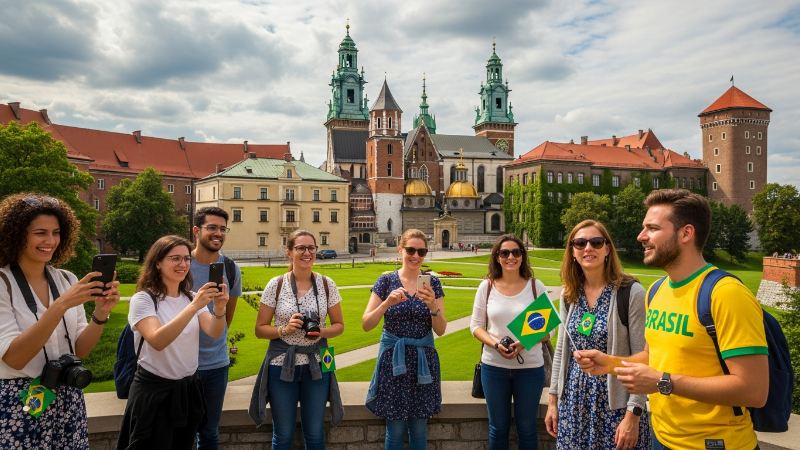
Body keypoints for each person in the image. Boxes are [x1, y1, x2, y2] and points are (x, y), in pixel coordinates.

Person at [577, 189, 769, 450]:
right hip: (662, 438)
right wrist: (610, 363)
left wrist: (661, 382)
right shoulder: (657, 290)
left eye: (652, 228)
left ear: (686, 233)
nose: (641, 236)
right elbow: (652, 357)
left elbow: (754, 391)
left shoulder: (726, 294)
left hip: (716, 444)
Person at [0, 193, 120, 449]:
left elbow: (80, 350)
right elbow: (14, 358)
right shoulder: (3, 283)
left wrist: (100, 314)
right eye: (40, 233)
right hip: (18, 401)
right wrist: (60, 305)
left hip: (67, 397)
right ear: (17, 234)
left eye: (56, 232)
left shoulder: (66, 279)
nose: (50, 241)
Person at [544, 220, 650, 450]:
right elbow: (562, 350)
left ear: (607, 249)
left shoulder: (630, 292)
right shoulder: (569, 294)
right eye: (580, 243)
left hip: (616, 409)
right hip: (573, 404)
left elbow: (644, 358)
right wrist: (553, 402)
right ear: (572, 252)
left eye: (596, 242)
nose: (588, 248)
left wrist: (634, 415)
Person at [117, 235, 229, 449]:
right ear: (157, 263)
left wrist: (220, 309)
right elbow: (157, 340)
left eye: (187, 259)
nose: (183, 264)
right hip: (154, 392)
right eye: (175, 258)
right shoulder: (143, 299)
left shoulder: (190, 297)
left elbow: (214, 331)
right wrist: (194, 307)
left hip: (186, 391)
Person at [251, 230, 345, 450]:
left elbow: (339, 326)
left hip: (318, 362)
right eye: (301, 248)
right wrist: (284, 329)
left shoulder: (326, 284)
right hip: (281, 363)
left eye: (311, 247)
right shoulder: (276, 284)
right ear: (289, 253)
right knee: (283, 434)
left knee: (314, 433)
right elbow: (259, 329)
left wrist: (321, 332)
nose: (307, 252)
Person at [363, 228, 446, 450]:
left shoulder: (432, 283)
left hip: (423, 363)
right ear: (400, 250)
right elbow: (366, 324)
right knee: (395, 430)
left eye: (421, 251)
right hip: (394, 362)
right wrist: (386, 304)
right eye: (411, 250)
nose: (416, 256)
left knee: (419, 431)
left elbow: (441, 330)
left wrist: (433, 307)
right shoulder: (386, 281)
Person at [470, 234, 550, 449]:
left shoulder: (535, 287)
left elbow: (547, 332)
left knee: (527, 429)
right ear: (497, 257)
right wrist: (496, 345)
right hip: (494, 367)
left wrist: (522, 343)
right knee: (498, 429)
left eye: (516, 252)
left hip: (530, 368)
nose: (510, 257)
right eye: (504, 253)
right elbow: (476, 326)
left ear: (523, 256)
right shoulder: (486, 287)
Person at [190, 207, 242, 450]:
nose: (218, 233)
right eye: (212, 227)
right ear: (196, 231)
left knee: (209, 433)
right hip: (181, 364)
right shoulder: (180, 264)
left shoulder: (231, 269)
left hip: (215, 364)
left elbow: (226, 318)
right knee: (178, 432)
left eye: (222, 229)